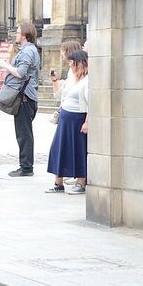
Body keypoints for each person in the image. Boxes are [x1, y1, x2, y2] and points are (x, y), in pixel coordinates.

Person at [0, 22, 41, 177]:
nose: (15, 34)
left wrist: (5, 65)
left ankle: (26, 167)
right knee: (23, 133)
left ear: (24, 35)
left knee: (24, 134)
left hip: (25, 98)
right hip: (26, 97)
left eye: (17, 32)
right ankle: (25, 166)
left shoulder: (28, 51)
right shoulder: (28, 50)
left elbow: (21, 73)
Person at [46, 50, 89, 195]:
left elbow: (91, 103)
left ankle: (81, 182)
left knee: (79, 150)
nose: (70, 65)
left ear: (80, 63)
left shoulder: (88, 80)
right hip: (65, 117)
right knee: (59, 148)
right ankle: (58, 183)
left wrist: (87, 122)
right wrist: (55, 80)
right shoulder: (71, 78)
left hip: (78, 118)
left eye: (72, 63)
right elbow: (59, 95)